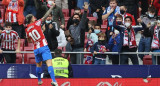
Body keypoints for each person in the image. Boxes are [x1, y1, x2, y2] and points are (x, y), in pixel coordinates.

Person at [25, 2, 58, 86]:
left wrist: (42, 32)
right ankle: (54, 80)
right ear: (31, 20)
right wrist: (51, 7)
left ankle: (39, 80)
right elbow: (46, 16)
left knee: (38, 65)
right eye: (33, 17)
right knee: (49, 63)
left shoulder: (27, 29)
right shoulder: (37, 23)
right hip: (43, 46)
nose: (35, 18)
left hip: (36, 48)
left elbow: (29, 41)